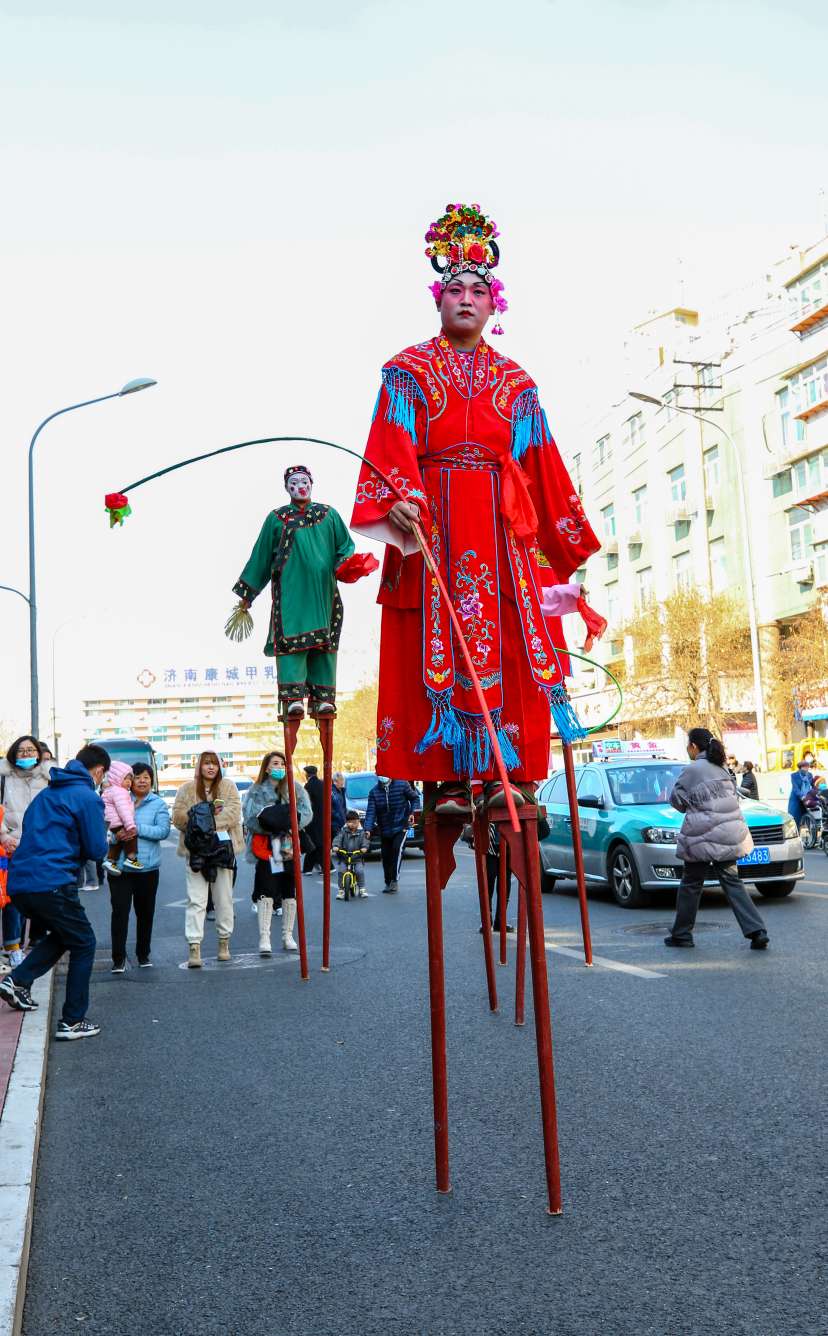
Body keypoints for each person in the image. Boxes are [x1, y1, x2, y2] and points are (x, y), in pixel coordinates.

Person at [350, 202, 599, 815]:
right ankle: (449, 781)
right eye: (454, 288)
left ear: (495, 306)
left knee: (515, 635)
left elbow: (540, 463)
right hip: (431, 520)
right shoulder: (406, 370)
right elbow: (391, 444)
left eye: (478, 290)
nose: (466, 298)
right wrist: (397, 499)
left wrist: (560, 543)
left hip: (497, 525)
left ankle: (504, 773)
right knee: (434, 639)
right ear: (438, 301)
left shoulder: (516, 382)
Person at [231, 466, 375, 720]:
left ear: (312, 484)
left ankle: (323, 699)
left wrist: (344, 562)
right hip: (290, 596)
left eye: (304, 481)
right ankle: (293, 697)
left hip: (323, 594)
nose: (300, 486)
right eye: (294, 482)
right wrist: (247, 596)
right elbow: (261, 558)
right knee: (290, 641)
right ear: (287, 488)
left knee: (325, 642)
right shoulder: (276, 519)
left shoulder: (329, 515)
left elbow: (345, 545)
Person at [0, 745, 110, 1039]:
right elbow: (97, 849)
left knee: (66, 934)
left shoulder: (47, 794)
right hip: (52, 881)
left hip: (22, 883)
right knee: (85, 942)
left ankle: (18, 980)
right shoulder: (87, 797)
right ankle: (72, 1020)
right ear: (98, 771)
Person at [664, 727, 769, 951]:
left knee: (691, 883)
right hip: (728, 835)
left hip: (701, 836)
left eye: (688, 745)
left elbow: (678, 802)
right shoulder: (722, 769)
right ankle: (757, 931)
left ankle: (682, 934)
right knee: (733, 882)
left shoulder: (692, 770)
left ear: (693, 746)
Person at [173, 752, 243, 968]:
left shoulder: (228, 786)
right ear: (199, 766)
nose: (211, 767)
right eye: (207, 763)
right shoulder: (186, 789)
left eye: (215, 763)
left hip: (222, 850)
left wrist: (201, 820)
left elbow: (233, 813)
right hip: (196, 851)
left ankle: (224, 944)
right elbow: (178, 817)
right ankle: (194, 947)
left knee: (224, 899)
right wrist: (203, 821)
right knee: (196, 900)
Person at [243, 750, 312, 955]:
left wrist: (289, 825)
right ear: (266, 767)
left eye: (282, 764)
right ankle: (265, 937)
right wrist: (272, 826)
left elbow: (306, 813)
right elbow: (250, 819)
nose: (279, 767)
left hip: (289, 846)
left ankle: (287, 935)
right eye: (275, 763)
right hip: (266, 847)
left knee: (289, 890)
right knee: (267, 890)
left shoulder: (295, 788)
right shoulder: (255, 791)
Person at [109, 763, 170, 972]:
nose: (143, 780)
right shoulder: (117, 798)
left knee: (145, 914)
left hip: (147, 869)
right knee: (119, 913)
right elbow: (105, 826)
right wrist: (116, 834)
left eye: (147, 777)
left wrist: (135, 827)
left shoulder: (158, 804)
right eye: (137, 777)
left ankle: (143, 954)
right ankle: (118, 958)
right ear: (128, 780)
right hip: (120, 869)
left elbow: (162, 831)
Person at [0, 736, 54, 965]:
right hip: (10, 845)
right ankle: (12, 947)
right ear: (13, 753)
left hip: (40, 847)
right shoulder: (3, 777)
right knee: (12, 897)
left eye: (31, 750)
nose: (25, 754)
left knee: (39, 896)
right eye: (21, 751)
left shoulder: (49, 779)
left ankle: (36, 941)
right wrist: (3, 835)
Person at [364, 776, 420, 893]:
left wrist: (413, 813)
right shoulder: (374, 792)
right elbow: (370, 812)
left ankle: (394, 880)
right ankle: (388, 881)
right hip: (384, 829)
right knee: (386, 856)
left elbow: (415, 799)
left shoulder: (402, 784)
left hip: (402, 826)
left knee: (397, 849)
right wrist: (368, 829)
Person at [101, 760, 142, 875]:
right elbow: (123, 811)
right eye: (126, 779)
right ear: (117, 778)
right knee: (131, 836)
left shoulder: (110, 790)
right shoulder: (120, 792)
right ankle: (131, 859)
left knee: (118, 842)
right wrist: (130, 825)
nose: (129, 782)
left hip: (111, 822)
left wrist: (133, 805)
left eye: (130, 779)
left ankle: (110, 861)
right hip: (118, 821)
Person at [334, 810, 370, 899]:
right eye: (349, 822)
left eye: (354, 822)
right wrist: (336, 846)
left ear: (358, 822)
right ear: (346, 822)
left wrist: (364, 848)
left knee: (359, 871)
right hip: (344, 857)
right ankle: (341, 890)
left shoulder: (362, 832)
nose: (352, 824)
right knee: (341, 871)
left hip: (357, 858)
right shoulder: (343, 831)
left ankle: (362, 888)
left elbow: (365, 841)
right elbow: (338, 839)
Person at [302, 764, 325, 874]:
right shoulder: (323, 784)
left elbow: (305, 804)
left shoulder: (307, 787)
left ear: (307, 774)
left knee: (313, 844)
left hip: (312, 820)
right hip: (324, 819)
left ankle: (311, 868)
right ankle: (321, 867)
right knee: (319, 843)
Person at [787, 760, 814, 826]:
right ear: (800, 767)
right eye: (805, 767)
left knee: (809, 815)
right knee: (795, 817)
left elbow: (812, 785)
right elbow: (795, 788)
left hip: (806, 797)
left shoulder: (810, 775)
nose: (807, 768)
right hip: (796, 798)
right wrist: (802, 796)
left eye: (807, 767)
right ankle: (797, 833)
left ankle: (811, 831)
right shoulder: (794, 775)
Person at [331, 772, 348, 837]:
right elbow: (334, 809)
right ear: (335, 781)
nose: (342, 782)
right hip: (335, 824)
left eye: (343, 779)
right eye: (341, 780)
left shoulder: (341, 791)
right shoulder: (332, 793)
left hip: (342, 823)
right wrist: (338, 817)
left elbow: (343, 807)